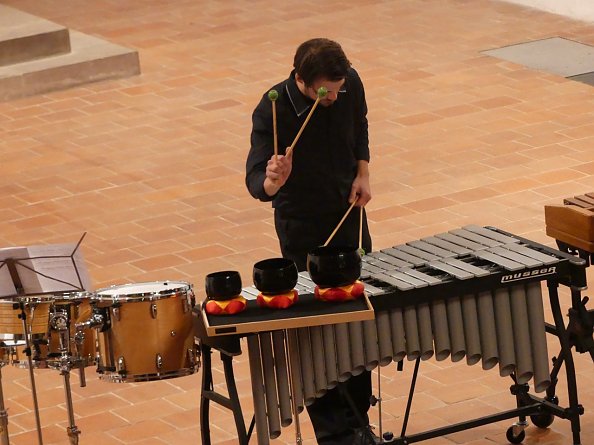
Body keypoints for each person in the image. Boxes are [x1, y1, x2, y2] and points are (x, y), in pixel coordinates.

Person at [246, 38, 375, 444]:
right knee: (318, 328)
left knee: (356, 318)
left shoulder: (348, 83)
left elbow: (361, 126)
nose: (335, 96)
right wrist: (272, 180)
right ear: (301, 80)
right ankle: (333, 432)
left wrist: (363, 174)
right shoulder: (273, 109)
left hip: (348, 215)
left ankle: (359, 421)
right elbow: (255, 182)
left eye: (339, 89)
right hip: (302, 227)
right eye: (326, 91)